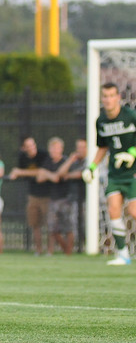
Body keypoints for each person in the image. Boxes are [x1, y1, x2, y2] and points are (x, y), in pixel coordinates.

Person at [83, 83, 136, 266]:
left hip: (133, 173)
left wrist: (132, 154)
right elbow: (103, 147)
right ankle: (123, 254)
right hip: (115, 174)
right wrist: (91, 167)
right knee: (113, 210)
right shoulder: (101, 121)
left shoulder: (131, 116)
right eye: (105, 96)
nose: (108, 99)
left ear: (118, 97)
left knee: (133, 211)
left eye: (111, 95)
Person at [9, 136, 53, 256]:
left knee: (49, 225)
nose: (31, 148)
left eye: (33, 145)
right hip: (33, 195)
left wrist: (20, 172)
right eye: (28, 146)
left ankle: (50, 251)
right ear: (23, 148)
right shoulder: (22, 157)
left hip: (46, 195)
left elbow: (41, 172)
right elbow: (20, 173)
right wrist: (16, 173)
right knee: (35, 224)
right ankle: (38, 250)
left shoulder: (43, 155)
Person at [39, 137, 73, 256]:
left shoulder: (66, 161)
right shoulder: (48, 162)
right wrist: (50, 175)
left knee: (68, 227)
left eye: (56, 148)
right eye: (52, 148)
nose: (54, 151)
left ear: (61, 149)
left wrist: (49, 175)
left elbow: (60, 175)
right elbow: (40, 177)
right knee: (52, 228)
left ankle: (69, 253)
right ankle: (63, 249)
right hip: (53, 199)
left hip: (65, 199)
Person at [56, 137, 88, 255]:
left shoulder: (91, 161)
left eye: (83, 147)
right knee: (73, 226)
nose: (80, 150)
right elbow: (60, 173)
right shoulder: (74, 162)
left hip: (87, 200)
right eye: (78, 147)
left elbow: (83, 173)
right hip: (74, 199)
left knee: (87, 226)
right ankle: (75, 250)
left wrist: (68, 175)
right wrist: (70, 160)